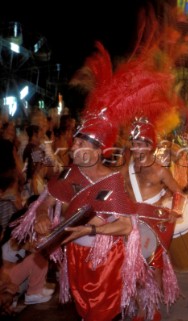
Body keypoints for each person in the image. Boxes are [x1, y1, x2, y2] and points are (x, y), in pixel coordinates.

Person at [11, 114, 158, 321]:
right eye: (74, 143)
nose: (72, 148)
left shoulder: (112, 181)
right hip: (75, 256)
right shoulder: (68, 174)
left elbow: (125, 226)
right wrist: (42, 215)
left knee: (103, 312)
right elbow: (47, 200)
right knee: (84, 309)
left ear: (97, 152)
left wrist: (91, 230)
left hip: (106, 258)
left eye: (80, 144)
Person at [122, 117, 182, 321]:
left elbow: (178, 193)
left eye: (141, 144)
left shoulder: (160, 170)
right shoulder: (125, 169)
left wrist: (174, 211)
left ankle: (152, 306)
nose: (136, 149)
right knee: (135, 266)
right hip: (131, 225)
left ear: (150, 146)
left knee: (155, 267)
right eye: (134, 144)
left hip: (154, 226)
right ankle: (140, 307)